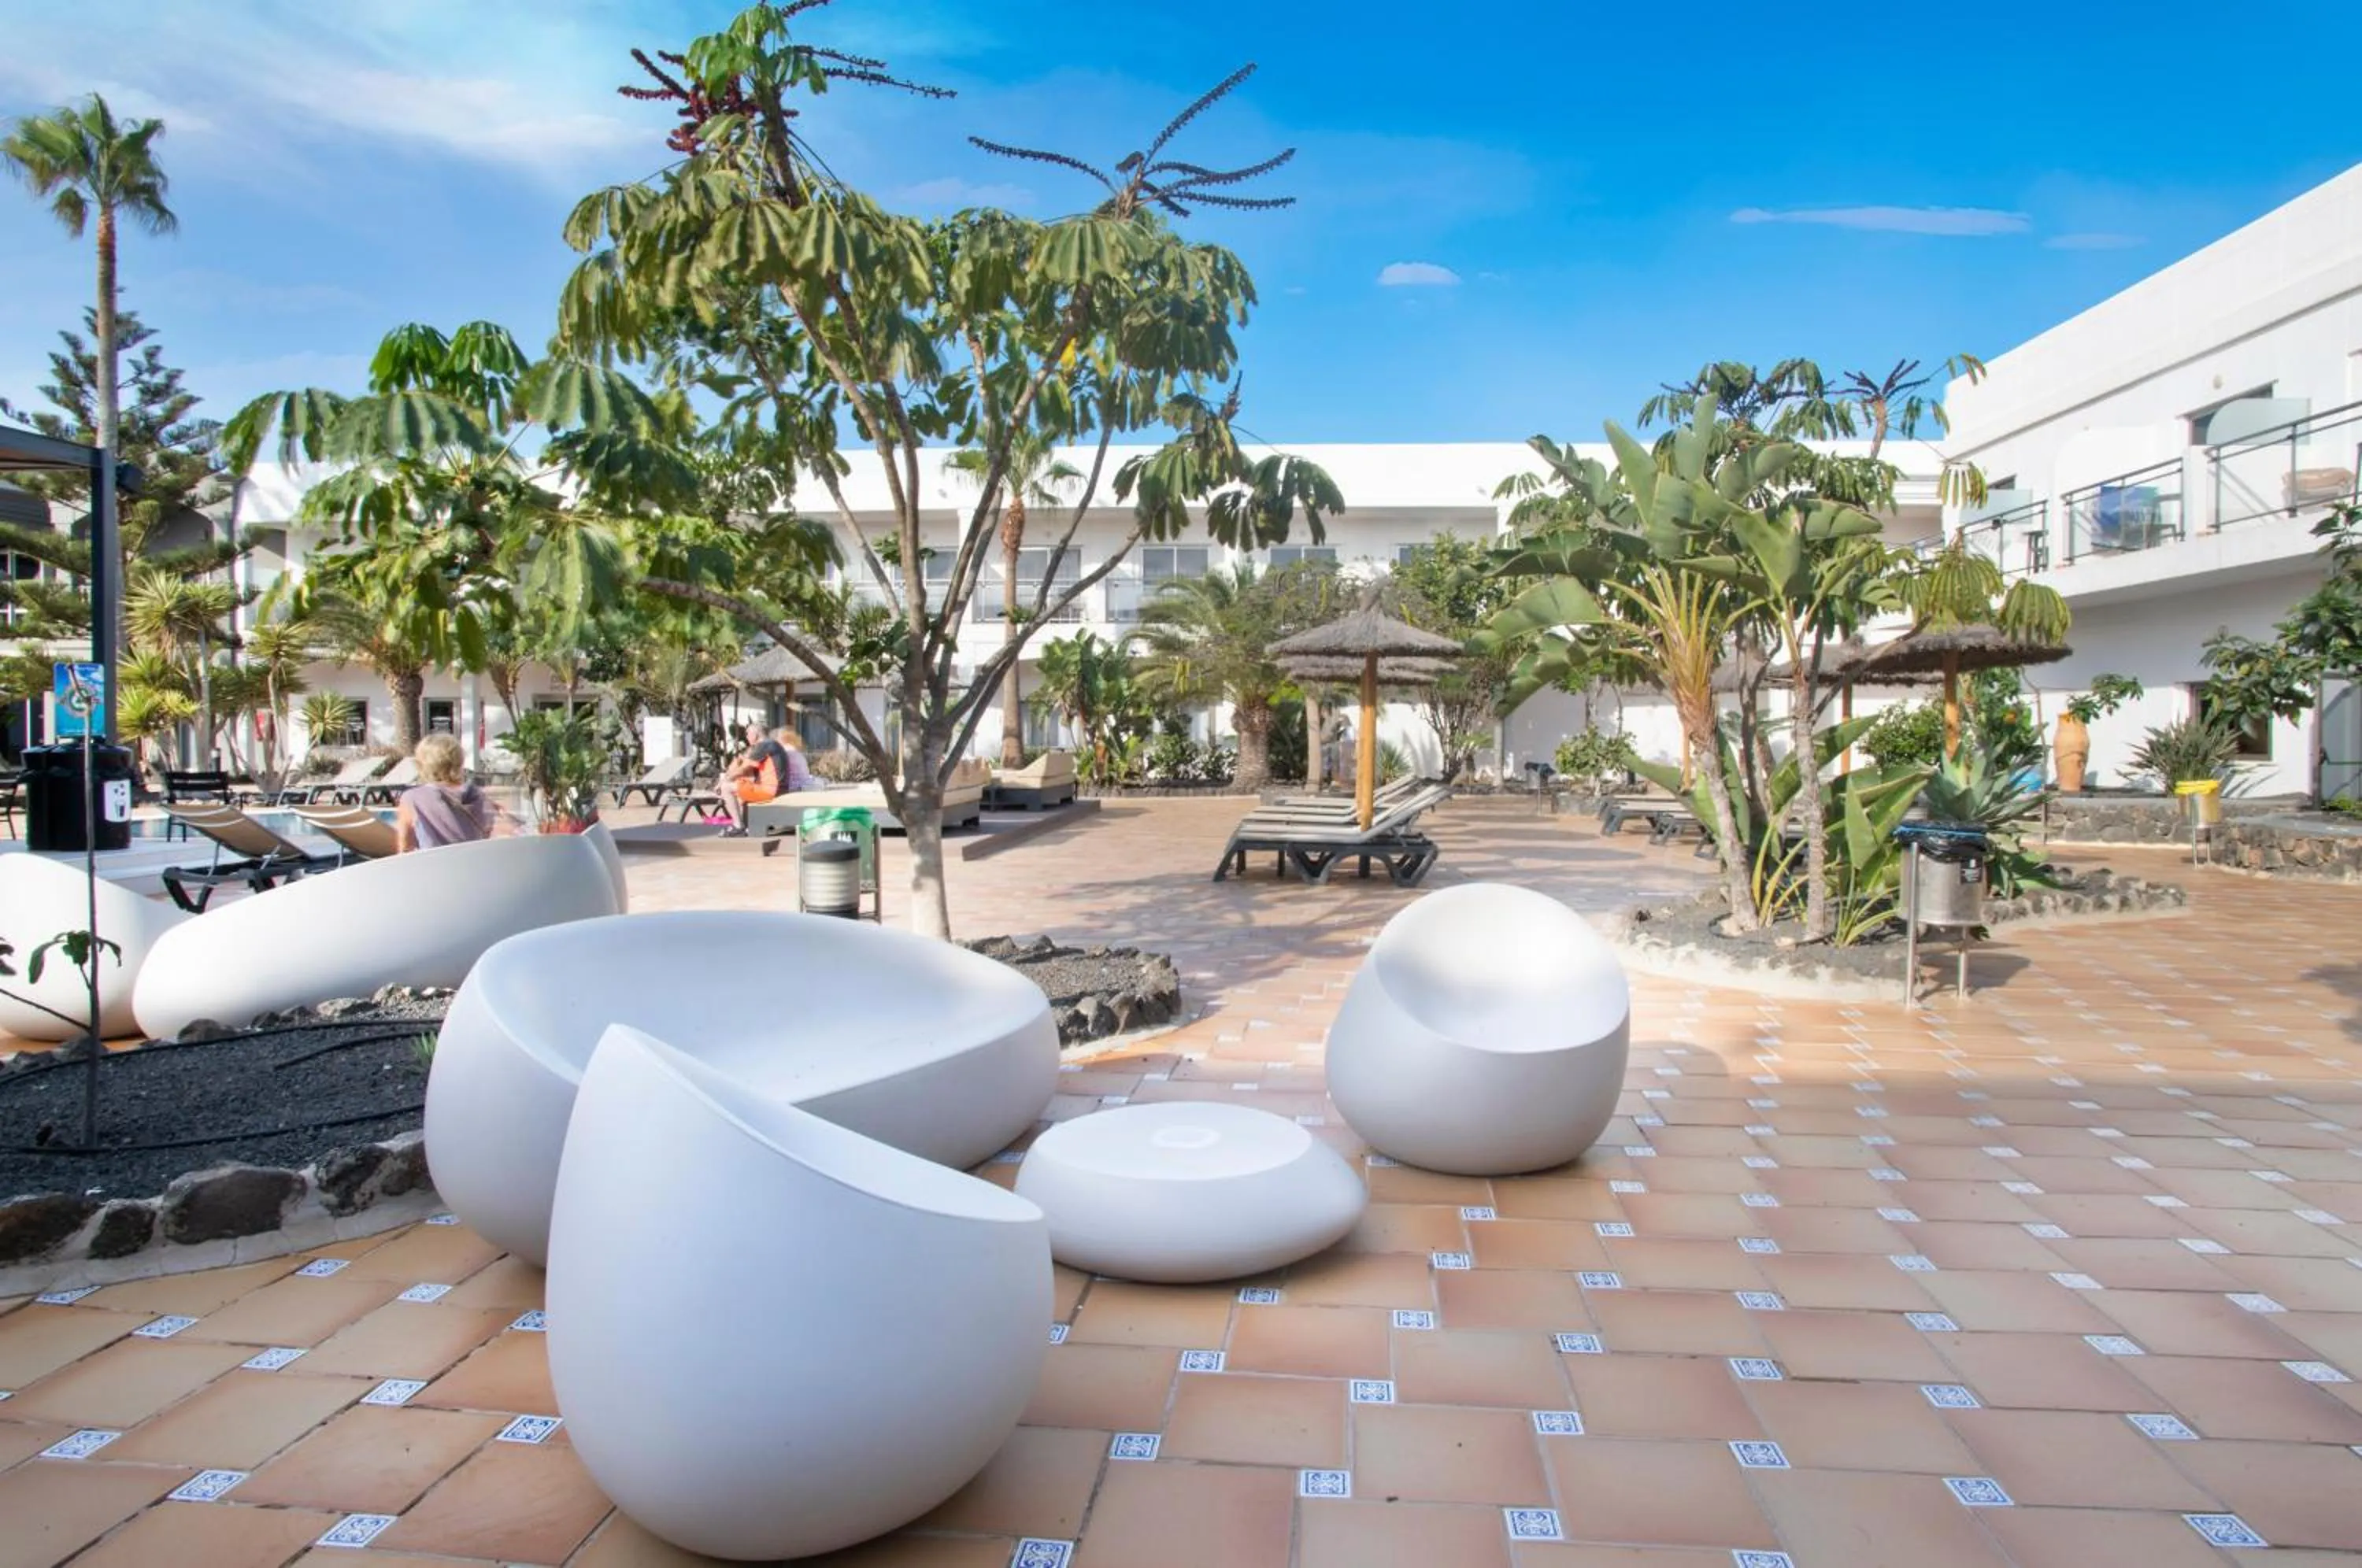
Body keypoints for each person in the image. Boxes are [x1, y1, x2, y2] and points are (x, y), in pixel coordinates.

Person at [394, 734, 508, 852]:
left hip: (435, 865)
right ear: (459, 761)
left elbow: (405, 847)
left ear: (421, 765)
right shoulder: (478, 795)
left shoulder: (412, 798)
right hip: (475, 863)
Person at [716, 721, 807, 836]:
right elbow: (743, 766)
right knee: (739, 785)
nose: (747, 736)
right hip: (779, 788)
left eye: (748, 733)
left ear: (756, 734)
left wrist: (723, 781)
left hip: (770, 791)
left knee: (727, 788)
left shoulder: (764, 746)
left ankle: (738, 826)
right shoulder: (772, 744)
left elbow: (743, 770)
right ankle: (746, 824)